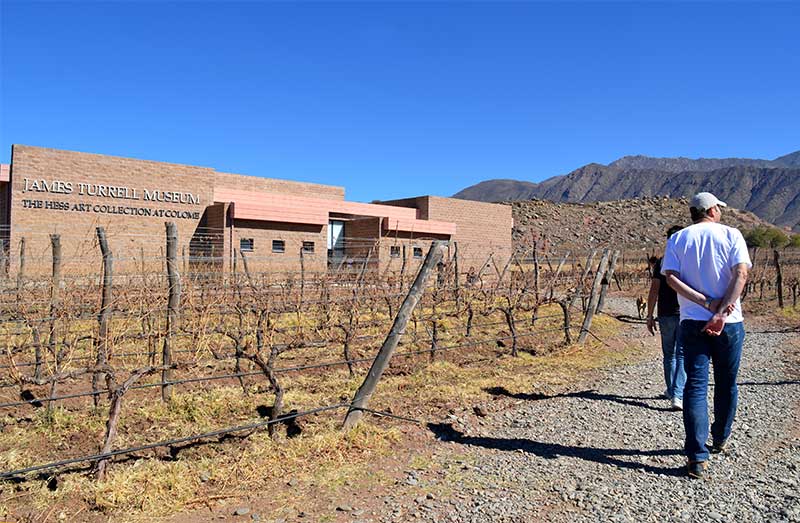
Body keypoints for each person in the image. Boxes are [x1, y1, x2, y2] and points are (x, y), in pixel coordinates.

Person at [661, 192, 751, 479]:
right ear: (712, 210)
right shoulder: (732, 234)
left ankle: (697, 458)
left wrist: (704, 303)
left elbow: (671, 278)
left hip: (692, 322)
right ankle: (720, 438)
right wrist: (722, 310)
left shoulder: (678, 239)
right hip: (730, 323)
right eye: (719, 209)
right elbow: (741, 274)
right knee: (727, 383)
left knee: (695, 387)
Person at [646, 225, 685, 410]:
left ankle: (672, 390)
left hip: (665, 314)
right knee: (682, 354)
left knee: (669, 354)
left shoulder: (662, 262)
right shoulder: (688, 260)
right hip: (685, 313)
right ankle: (677, 394)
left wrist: (649, 315)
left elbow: (654, 290)